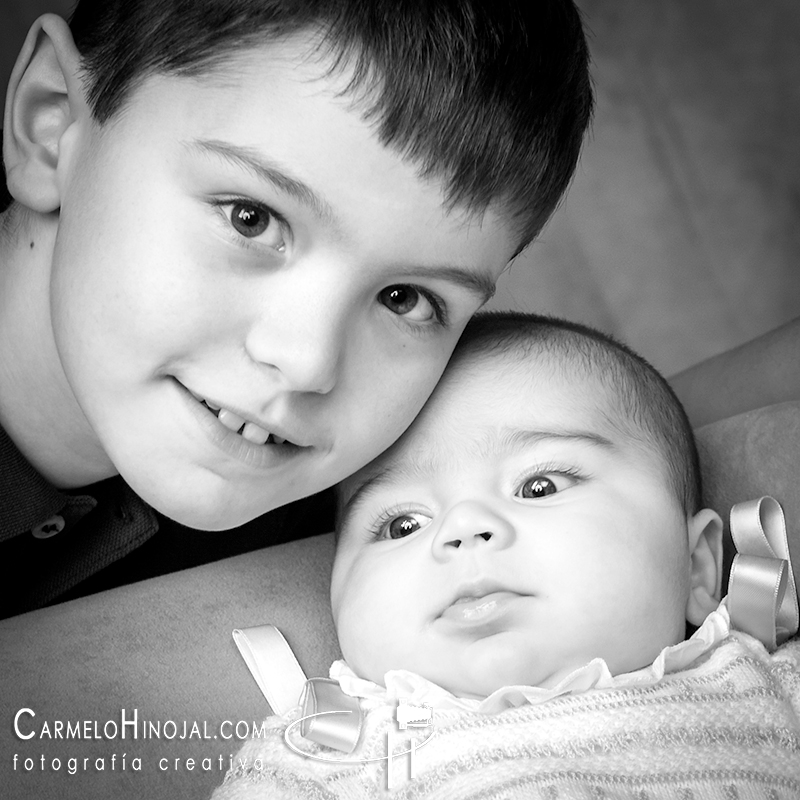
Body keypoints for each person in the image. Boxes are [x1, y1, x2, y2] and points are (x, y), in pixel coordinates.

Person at [0, 0, 594, 618]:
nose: (309, 364)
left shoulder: (394, 545)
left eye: (405, 300)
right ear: (52, 125)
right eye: (249, 219)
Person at [214, 312, 800, 798]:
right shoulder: (320, 754)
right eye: (402, 524)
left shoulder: (767, 684)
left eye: (539, 486)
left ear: (698, 566)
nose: (463, 528)